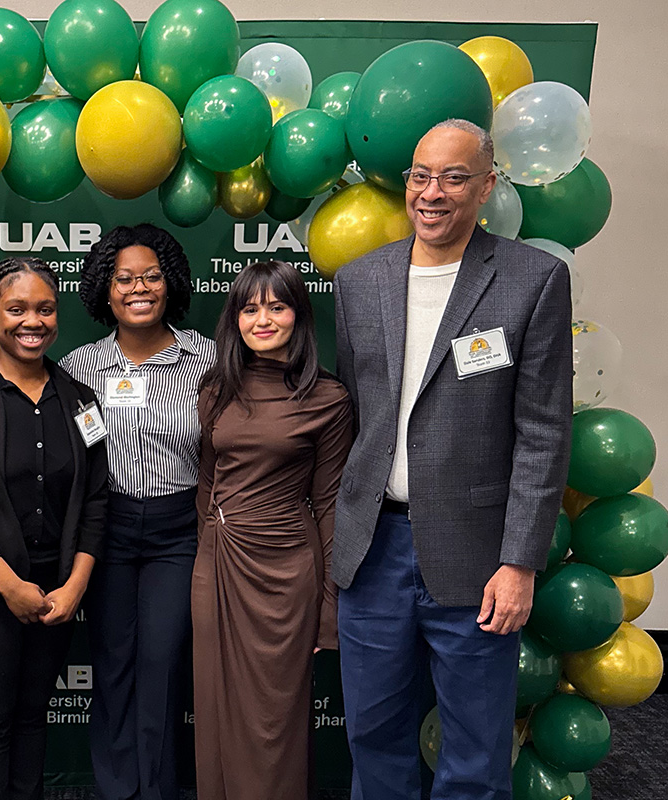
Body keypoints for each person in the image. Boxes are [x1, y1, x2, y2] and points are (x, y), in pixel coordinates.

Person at [332, 120, 572, 800]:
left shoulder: (533, 280)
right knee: (373, 735)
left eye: (454, 176)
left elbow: (543, 431)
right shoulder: (359, 281)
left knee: (475, 747)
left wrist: (520, 561)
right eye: (420, 175)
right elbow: (358, 414)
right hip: (372, 550)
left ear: (488, 184)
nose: (432, 192)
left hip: (478, 555)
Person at [0, 256, 108, 800]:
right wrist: (10, 588)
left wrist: (75, 586)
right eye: (16, 309)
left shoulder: (80, 399)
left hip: (56, 591)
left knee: (34, 718)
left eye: (45, 309)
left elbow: (96, 498)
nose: (32, 321)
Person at [60, 224, 215, 800]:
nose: (138, 288)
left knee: (163, 660)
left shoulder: (207, 357)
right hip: (108, 530)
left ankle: (158, 789)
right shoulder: (81, 366)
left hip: (180, 529)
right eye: (124, 278)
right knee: (113, 663)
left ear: (170, 283)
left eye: (150, 276)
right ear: (105, 290)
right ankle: (117, 790)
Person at [192, 260, 352, 799]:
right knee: (216, 706)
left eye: (276, 306)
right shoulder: (216, 390)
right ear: (234, 318)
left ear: (298, 316)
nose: (262, 319)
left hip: (287, 577)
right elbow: (208, 485)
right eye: (250, 307)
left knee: (273, 722)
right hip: (217, 567)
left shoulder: (329, 401)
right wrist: (205, 561)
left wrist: (328, 610)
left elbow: (330, 506)